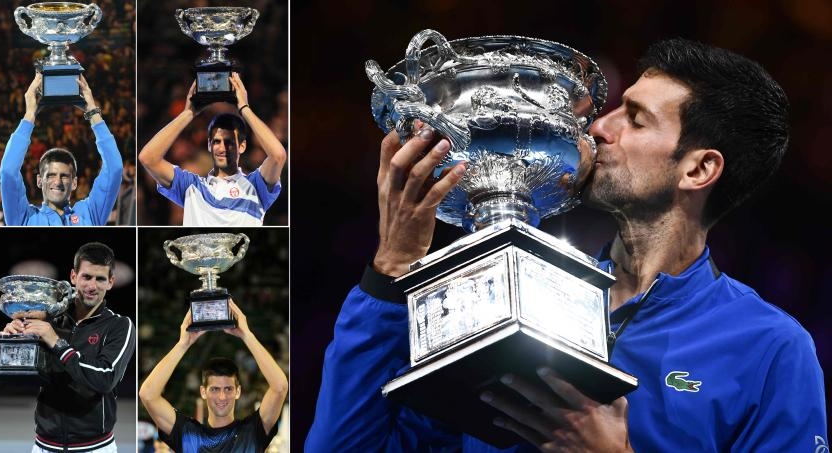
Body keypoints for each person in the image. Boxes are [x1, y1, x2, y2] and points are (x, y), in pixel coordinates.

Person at [306, 38, 827, 451]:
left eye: (635, 118)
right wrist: (389, 273)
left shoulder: (769, 349)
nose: (599, 127)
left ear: (699, 168)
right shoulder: (499, 301)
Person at [1, 242, 136, 452]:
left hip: (95, 448)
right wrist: (14, 343)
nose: (92, 286)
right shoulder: (50, 321)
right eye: (86, 277)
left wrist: (57, 343)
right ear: (73, 277)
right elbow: (10, 380)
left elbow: (106, 377)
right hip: (44, 445)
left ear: (110, 282)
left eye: (100, 279)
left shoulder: (119, 325)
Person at [139, 300, 288, 452]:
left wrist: (247, 336)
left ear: (238, 391)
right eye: (215, 389)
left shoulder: (253, 431)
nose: (222, 397)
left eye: (228, 389)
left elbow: (280, 387)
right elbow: (147, 395)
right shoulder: (188, 434)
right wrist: (183, 344)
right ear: (203, 391)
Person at [138, 73, 286, 226]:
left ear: (242, 146)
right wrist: (188, 113)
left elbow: (278, 156)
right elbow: (148, 158)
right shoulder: (191, 187)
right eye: (216, 142)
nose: (222, 148)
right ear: (209, 145)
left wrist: (244, 108)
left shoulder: (256, 186)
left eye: (228, 142)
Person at [0, 73, 123, 225]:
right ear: (39, 180)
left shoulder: (90, 214)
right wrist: (29, 114)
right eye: (51, 175)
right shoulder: (24, 218)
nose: (58, 182)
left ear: (74, 182)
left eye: (64, 176)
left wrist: (92, 112)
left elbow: (114, 168)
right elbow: (8, 172)